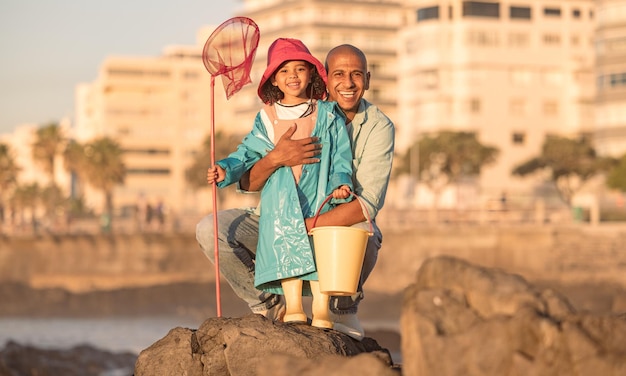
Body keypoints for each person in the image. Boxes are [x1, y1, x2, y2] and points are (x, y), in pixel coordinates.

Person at [196, 44, 395, 340]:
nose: (348, 83)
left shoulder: (372, 125)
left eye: (356, 75)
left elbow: (365, 205)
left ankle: (340, 308)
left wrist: (302, 228)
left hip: (327, 219)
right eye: (339, 74)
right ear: (325, 78)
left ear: (367, 78)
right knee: (210, 229)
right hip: (274, 215)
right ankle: (271, 305)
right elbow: (249, 180)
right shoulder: (273, 116)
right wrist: (273, 158)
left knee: (365, 231)